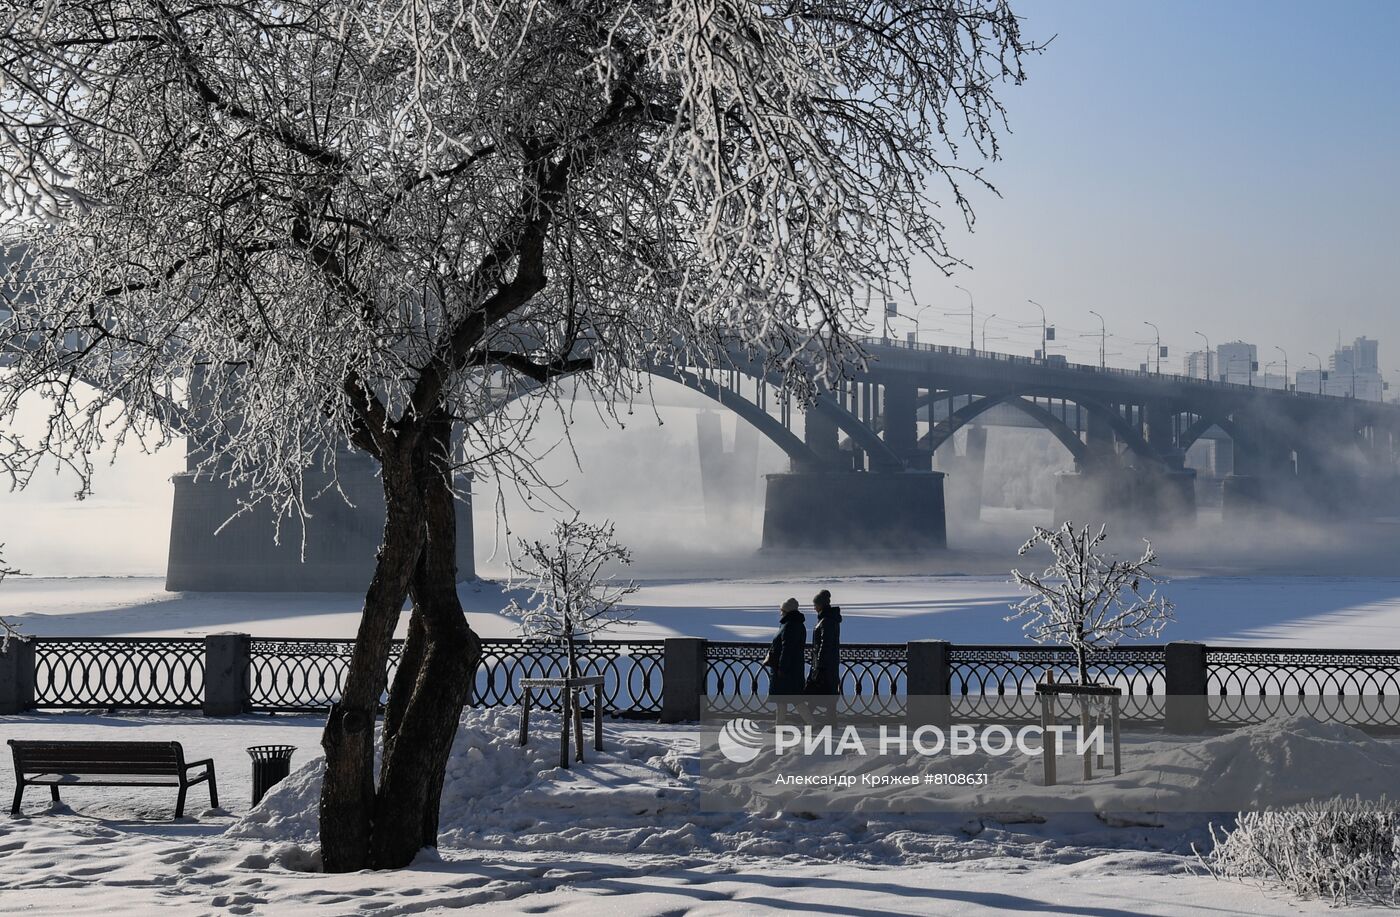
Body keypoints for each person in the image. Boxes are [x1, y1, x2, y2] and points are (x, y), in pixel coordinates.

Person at [764, 597, 807, 722]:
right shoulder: (793, 624)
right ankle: (780, 725)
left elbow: (787, 648)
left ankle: (812, 723)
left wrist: (782, 668)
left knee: (793, 698)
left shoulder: (790, 625)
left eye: (781, 609)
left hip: (786, 669)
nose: (780, 612)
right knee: (783, 698)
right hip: (791, 667)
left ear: (786, 611)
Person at [804, 590, 842, 722]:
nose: (814, 608)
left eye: (815, 605)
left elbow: (825, 644)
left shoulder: (826, 621)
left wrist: (819, 664)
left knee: (817, 692)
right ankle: (829, 721)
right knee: (826, 693)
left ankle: (809, 721)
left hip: (824, 665)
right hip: (828, 664)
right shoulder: (829, 619)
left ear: (821, 605)